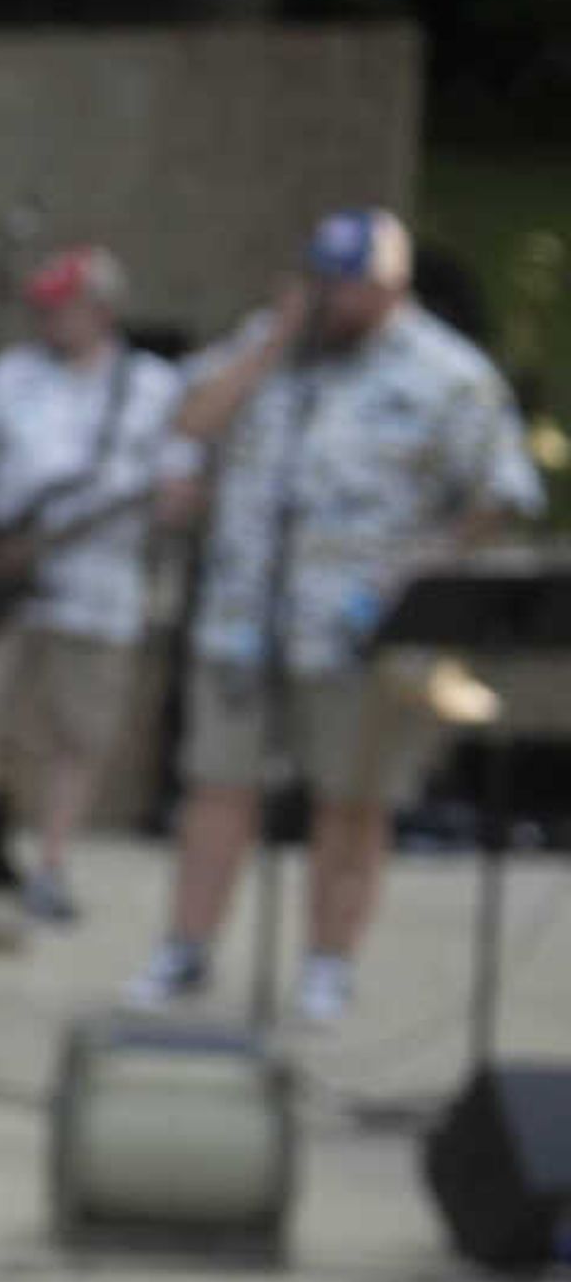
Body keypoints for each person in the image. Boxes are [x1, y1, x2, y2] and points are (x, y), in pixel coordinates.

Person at [128, 207, 545, 1023]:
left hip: (359, 635)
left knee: (350, 801)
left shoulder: (445, 373)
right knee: (217, 785)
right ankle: (186, 949)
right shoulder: (273, 345)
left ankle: (327, 961)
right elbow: (188, 421)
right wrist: (273, 343)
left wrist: (430, 565)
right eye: (321, 280)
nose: (331, 300)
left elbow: (504, 490)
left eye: (349, 286)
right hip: (245, 617)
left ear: (392, 286)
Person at [0, 244, 185, 928]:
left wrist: (179, 499)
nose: (46, 319)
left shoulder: (152, 387)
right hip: (3, 582)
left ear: (102, 310)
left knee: (80, 734)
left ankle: (52, 865)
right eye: (42, 306)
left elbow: (180, 482)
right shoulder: (11, 376)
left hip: (98, 590)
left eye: (60, 307)